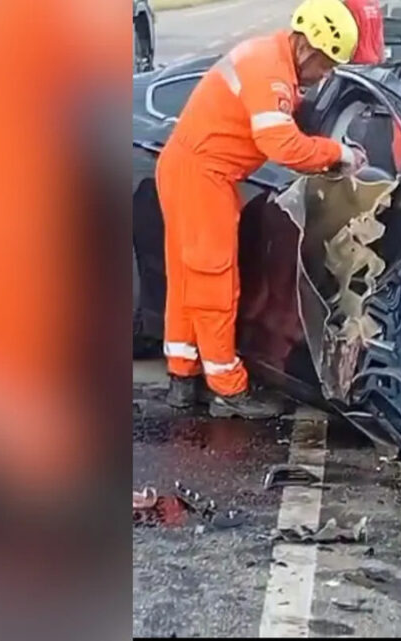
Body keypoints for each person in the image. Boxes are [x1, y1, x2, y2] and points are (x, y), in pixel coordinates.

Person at [156, 0, 368, 419]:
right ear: (308, 47)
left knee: (189, 279)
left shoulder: (270, 59)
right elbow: (282, 145)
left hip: (194, 170)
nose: (323, 75)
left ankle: (183, 375)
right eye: (325, 65)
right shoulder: (269, 71)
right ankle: (227, 387)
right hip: (203, 176)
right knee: (214, 281)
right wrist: (337, 154)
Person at [343, 0, 385, 64]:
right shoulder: (375, 4)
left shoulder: (350, 4)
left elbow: (346, 35)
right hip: (374, 61)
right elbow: (380, 38)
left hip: (355, 61)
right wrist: (382, 61)